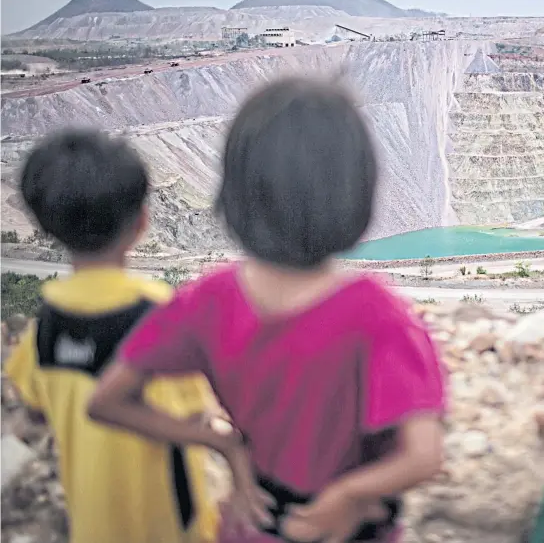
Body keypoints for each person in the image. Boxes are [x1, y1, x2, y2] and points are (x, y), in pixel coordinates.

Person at [88, 78, 446, 543]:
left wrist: (224, 444)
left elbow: (107, 401)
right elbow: (424, 456)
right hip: (348, 529)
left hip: (254, 522)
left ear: (236, 194)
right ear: (357, 193)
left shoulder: (208, 299)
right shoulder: (380, 316)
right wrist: (348, 496)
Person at [4, 129, 259, 543]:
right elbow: (198, 413)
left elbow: (36, 409)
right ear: (141, 223)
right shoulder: (160, 315)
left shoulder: (44, 330)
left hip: (93, 528)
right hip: (171, 525)